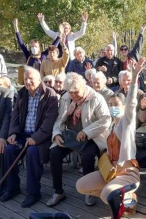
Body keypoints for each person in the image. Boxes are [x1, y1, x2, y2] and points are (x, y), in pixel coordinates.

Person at [76, 57, 146, 216]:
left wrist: (134, 77)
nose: (113, 107)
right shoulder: (110, 125)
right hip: (111, 171)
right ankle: (120, 194)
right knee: (81, 186)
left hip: (128, 173)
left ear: (123, 107)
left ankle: (128, 198)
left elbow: (132, 103)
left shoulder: (126, 123)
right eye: (111, 105)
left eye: (116, 105)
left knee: (106, 194)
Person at [47, 72, 111, 207]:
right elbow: (60, 119)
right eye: (71, 92)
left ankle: (90, 191)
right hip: (70, 136)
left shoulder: (96, 98)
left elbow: (105, 120)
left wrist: (86, 132)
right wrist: (57, 133)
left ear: (83, 86)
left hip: (91, 137)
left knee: (88, 156)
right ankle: (58, 191)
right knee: (54, 154)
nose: (74, 96)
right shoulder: (66, 97)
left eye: (76, 92)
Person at [0, 67, 58, 208]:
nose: (28, 81)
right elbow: (15, 115)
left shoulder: (50, 94)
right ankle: (12, 187)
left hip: (41, 136)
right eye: (25, 79)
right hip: (22, 134)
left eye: (31, 78)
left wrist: (35, 138)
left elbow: (49, 122)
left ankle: (33, 192)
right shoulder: (22, 93)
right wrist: (12, 133)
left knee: (32, 152)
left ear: (39, 79)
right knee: (9, 150)